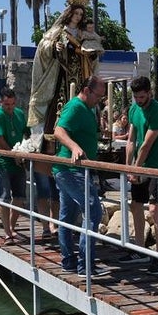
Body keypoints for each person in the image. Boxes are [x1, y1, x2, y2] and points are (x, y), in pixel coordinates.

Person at [53, 74, 109, 277]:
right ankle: (85, 266)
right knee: (93, 211)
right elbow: (59, 130)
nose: (99, 100)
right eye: (98, 96)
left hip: (72, 170)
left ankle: (69, 260)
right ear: (86, 90)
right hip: (71, 169)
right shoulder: (75, 106)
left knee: (67, 215)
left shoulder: (88, 108)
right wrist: (75, 147)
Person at [28, 3, 103, 137]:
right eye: (76, 13)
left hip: (81, 74)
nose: (78, 17)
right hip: (63, 73)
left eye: (81, 14)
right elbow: (43, 45)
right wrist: (53, 46)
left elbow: (93, 50)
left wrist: (92, 54)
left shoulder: (83, 33)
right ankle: (57, 131)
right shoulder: (59, 31)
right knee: (60, 101)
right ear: (70, 14)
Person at [121, 76, 158, 273]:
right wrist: (127, 167)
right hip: (139, 167)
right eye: (136, 97)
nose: (139, 100)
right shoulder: (134, 109)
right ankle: (140, 249)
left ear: (149, 92)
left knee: (155, 211)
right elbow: (131, 140)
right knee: (136, 205)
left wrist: (136, 168)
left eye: (142, 96)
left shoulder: (157, 111)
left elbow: (147, 144)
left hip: (156, 167)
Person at [0, 87, 29, 244]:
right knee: (4, 197)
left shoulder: (19, 113)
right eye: (7, 104)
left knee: (19, 196)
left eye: (12, 104)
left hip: (18, 159)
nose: (10, 107)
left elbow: (27, 132)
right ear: (1, 103)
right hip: (3, 161)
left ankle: (12, 227)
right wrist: (13, 154)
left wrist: (27, 148)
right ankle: (7, 232)